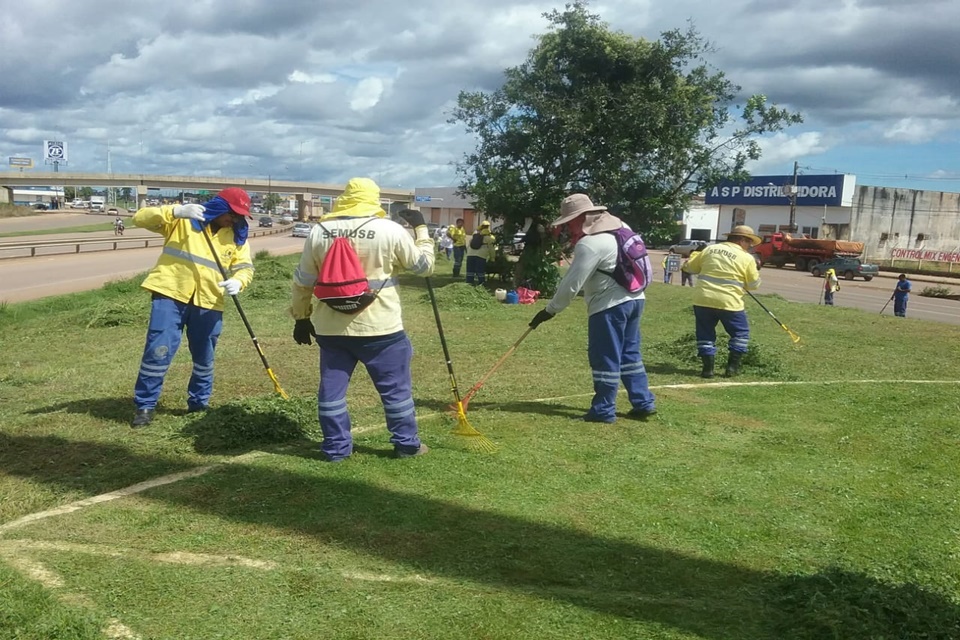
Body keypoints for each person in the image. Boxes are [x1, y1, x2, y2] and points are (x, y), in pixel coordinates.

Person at [290, 178, 435, 461]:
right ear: (374, 200)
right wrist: (420, 229)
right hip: (381, 326)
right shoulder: (390, 230)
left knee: (332, 392)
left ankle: (335, 448)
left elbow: (303, 281)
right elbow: (424, 267)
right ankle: (406, 445)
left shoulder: (318, 232)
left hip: (332, 328)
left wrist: (301, 317)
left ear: (345, 198)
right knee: (395, 391)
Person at [130, 188, 254, 427]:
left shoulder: (238, 236)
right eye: (232, 213)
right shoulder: (183, 221)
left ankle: (198, 404)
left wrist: (239, 281)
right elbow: (140, 218)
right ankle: (144, 406)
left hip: (209, 301)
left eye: (240, 216)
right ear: (219, 207)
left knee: (204, 357)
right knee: (158, 351)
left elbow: (245, 267)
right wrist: (175, 211)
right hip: (170, 294)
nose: (235, 219)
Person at [528, 194, 656, 424]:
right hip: (636, 299)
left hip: (609, 306)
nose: (567, 228)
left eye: (569, 222)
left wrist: (549, 310)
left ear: (581, 217)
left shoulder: (591, 243)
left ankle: (603, 410)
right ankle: (643, 402)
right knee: (630, 354)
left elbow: (571, 285)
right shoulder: (622, 227)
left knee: (605, 357)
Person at [683, 224, 762, 379]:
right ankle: (732, 368)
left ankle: (707, 369)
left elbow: (690, 268)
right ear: (741, 240)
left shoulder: (710, 249)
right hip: (730, 302)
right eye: (749, 243)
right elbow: (753, 285)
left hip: (703, 299)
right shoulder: (747, 258)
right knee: (740, 334)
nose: (750, 247)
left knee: (705, 333)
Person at [465, 220, 496, 285]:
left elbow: (469, 245)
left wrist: (468, 253)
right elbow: (492, 249)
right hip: (481, 256)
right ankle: (481, 284)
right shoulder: (490, 238)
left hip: (470, 255)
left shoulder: (475, 236)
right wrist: (492, 258)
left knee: (470, 271)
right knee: (480, 271)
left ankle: (469, 284)